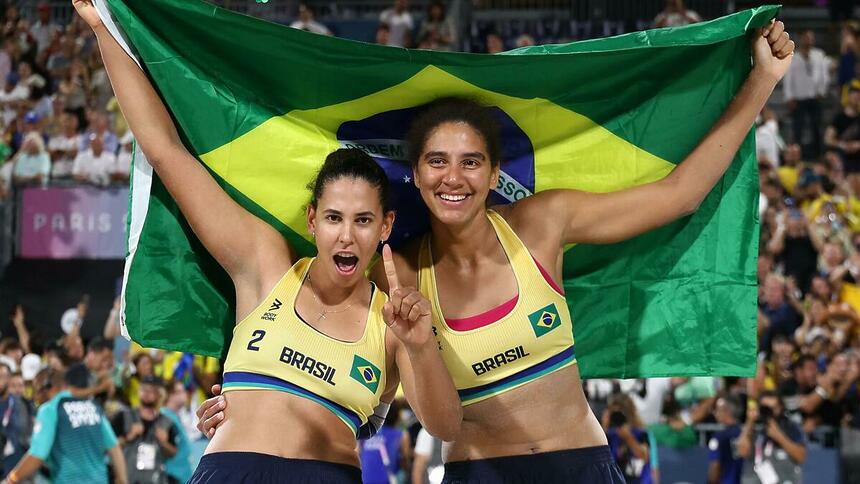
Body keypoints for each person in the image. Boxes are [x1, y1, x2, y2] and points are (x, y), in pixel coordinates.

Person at [202, 19, 794, 483]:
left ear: (492, 174)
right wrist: (249, 403)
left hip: (578, 466)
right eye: (437, 161)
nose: (453, 177)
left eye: (470, 162)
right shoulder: (398, 270)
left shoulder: (540, 224)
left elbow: (680, 194)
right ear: (416, 175)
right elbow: (340, 358)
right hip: (471, 472)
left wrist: (762, 80)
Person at [74, 2, 461, 484]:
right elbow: (165, 151)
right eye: (334, 218)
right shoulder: (263, 264)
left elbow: (446, 427)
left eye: (363, 220)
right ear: (312, 221)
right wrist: (103, 27)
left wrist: (422, 347)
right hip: (228, 471)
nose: (346, 234)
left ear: (385, 227)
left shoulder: (394, 321)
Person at [5, 365, 128, 484]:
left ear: (48, 387)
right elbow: (114, 447)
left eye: (37, 390)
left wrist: (11, 479)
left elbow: (37, 454)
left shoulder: (50, 409)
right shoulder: (92, 406)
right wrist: (122, 480)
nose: (36, 398)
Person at [113, 375, 179, 484]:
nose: (146, 393)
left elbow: (173, 452)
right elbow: (110, 446)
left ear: (159, 394)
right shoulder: (123, 416)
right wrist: (128, 437)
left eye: (151, 390)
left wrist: (163, 443)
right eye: (143, 389)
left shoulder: (167, 422)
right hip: (127, 477)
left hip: (155, 479)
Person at [738, 391, 806, 484]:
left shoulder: (790, 427)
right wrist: (749, 422)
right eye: (766, 408)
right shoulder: (752, 427)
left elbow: (800, 457)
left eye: (774, 408)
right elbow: (742, 452)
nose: (770, 413)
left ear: (781, 408)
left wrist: (779, 436)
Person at [784, 30, 829, 159]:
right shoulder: (794, 56)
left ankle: (818, 155)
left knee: (817, 127)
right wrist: (789, 97)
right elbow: (788, 78)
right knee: (798, 129)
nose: (808, 40)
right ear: (801, 39)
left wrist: (822, 91)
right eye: (806, 38)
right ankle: (798, 156)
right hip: (799, 98)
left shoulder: (819, 55)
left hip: (815, 97)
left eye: (810, 38)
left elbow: (824, 75)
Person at [707, 396, 743, 484]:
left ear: (727, 411)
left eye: (717, 409)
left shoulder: (718, 438)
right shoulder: (744, 434)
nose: (715, 413)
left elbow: (715, 465)